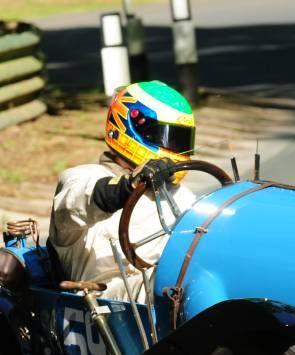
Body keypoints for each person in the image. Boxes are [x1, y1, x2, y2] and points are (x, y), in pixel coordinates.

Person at [49, 81, 198, 302]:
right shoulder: (81, 177)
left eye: (182, 141)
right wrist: (129, 185)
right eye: (170, 138)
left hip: (161, 296)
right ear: (134, 126)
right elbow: (76, 205)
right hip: (101, 298)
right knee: (180, 286)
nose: (176, 150)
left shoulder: (183, 197)